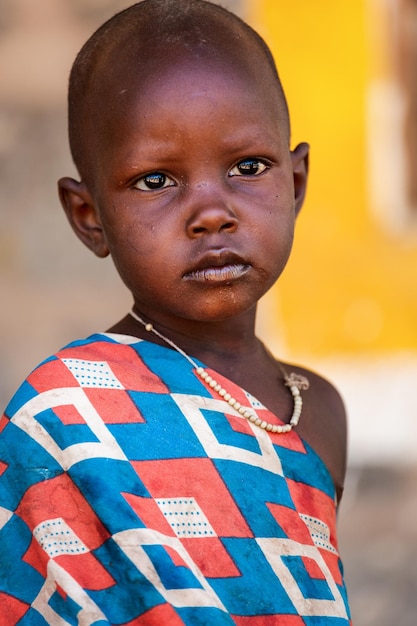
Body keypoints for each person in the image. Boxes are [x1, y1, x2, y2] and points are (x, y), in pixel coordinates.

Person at [0, 0, 351, 623]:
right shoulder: (66, 410)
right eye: (157, 180)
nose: (212, 213)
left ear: (295, 184)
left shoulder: (318, 407)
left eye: (248, 167)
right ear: (89, 217)